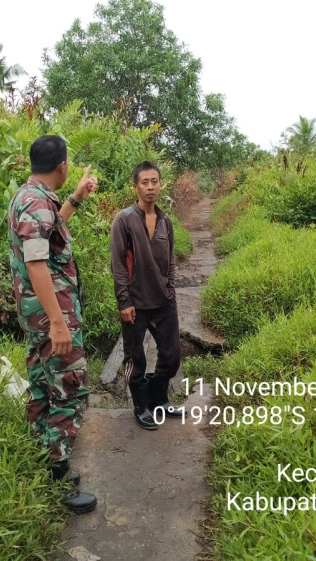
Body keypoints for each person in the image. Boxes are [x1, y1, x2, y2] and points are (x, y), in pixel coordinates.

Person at [7, 134, 98, 514]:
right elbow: (36, 263)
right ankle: (58, 480)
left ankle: (42, 462)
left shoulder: (29, 197)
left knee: (43, 387)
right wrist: (59, 324)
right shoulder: (36, 202)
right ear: (62, 165)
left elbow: (48, 239)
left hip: (38, 316)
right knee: (70, 390)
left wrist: (76, 198)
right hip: (51, 317)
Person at [110, 161, 182, 430]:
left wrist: (170, 290)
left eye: (154, 181)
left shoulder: (166, 221)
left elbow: (171, 261)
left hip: (163, 302)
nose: (150, 187)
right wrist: (124, 300)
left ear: (161, 184)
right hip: (135, 304)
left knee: (172, 356)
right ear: (136, 187)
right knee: (135, 358)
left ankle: (159, 400)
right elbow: (118, 264)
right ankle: (141, 406)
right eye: (144, 182)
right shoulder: (124, 220)